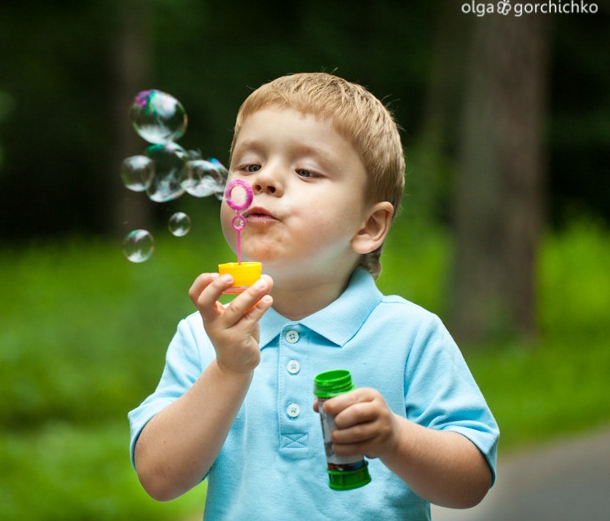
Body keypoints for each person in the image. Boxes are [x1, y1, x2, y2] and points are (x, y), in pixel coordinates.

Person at [128, 72, 499, 520]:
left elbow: (472, 482)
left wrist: (394, 440)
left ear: (369, 227)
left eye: (305, 171)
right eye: (249, 166)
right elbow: (159, 477)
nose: (264, 179)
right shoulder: (204, 337)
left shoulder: (409, 335)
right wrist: (229, 368)